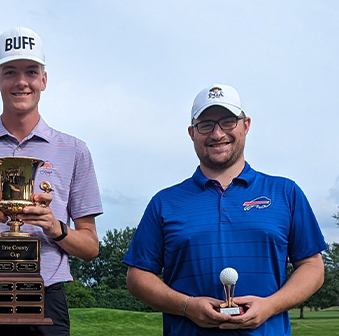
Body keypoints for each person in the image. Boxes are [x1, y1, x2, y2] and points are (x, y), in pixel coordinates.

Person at [0, 27, 103, 336]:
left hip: (48, 295)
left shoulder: (74, 151)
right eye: (10, 72)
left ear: (44, 80)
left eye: (31, 71)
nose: (21, 82)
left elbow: (91, 246)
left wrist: (55, 228)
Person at [123, 84, 327, 335]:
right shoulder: (165, 202)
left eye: (228, 122)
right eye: (206, 125)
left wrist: (270, 306)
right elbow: (137, 277)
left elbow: (312, 267)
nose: (217, 134)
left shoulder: (285, 192)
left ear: (246, 125)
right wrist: (186, 306)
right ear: (192, 133)